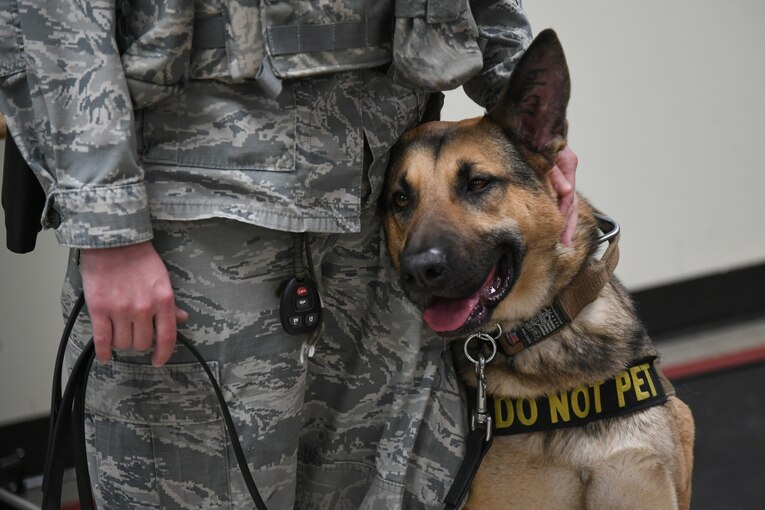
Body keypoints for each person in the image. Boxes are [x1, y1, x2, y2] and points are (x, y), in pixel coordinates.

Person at [0, 1, 577, 508]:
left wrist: (525, 122)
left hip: (380, 206)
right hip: (195, 219)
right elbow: (55, 16)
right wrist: (110, 228)